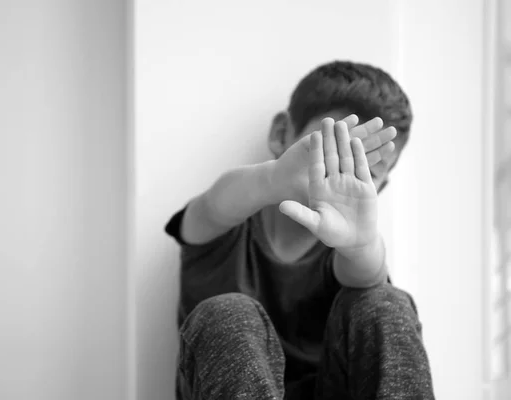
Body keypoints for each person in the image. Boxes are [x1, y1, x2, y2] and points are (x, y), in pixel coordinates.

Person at [164, 60, 435, 400]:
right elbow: (213, 207)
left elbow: (366, 274)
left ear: (379, 187)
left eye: (365, 170)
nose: (338, 173)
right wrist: (274, 178)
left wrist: (360, 243)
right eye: (330, 154)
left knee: (384, 302)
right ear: (282, 134)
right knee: (229, 313)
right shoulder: (225, 228)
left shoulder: (346, 255)